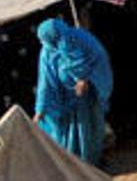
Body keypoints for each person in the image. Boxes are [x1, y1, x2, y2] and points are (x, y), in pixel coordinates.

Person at [34, 18, 114, 165]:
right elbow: (45, 82)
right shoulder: (47, 51)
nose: (42, 43)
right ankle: (70, 168)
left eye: (44, 39)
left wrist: (87, 79)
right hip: (63, 101)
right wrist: (40, 109)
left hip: (86, 102)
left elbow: (100, 62)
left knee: (87, 136)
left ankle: (88, 166)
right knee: (64, 139)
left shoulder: (84, 40)